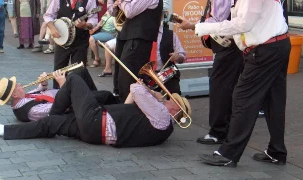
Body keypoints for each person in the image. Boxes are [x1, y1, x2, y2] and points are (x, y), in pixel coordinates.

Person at [181, 0, 290, 167]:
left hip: (265, 50)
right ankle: (277, 151)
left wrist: (205, 27)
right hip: (276, 45)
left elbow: (243, 24)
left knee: (243, 99)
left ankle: (229, 154)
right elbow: (250, 22)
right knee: (273, 101)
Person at [0, 73, 191, 148]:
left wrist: (152, 94)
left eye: (170, 100)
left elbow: (136, 90)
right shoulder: (160, 123)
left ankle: (58, 114)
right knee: (50, 124)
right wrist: (142, 91)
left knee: (74, 79)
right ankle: (0, 129)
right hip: (96, 130)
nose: (166, 99)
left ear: (175, 109)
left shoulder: (163, 116)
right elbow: (128, 107)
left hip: (96, 121)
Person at [178, 0, 243, 145]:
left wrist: (193, 26)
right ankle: (228, 129)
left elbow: (218, 21)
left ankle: (219, 132)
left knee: (220, 86)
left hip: (229, 43)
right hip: (231, 43)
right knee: (226, 86)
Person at [0, 68, 118, 122]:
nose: (20, 84)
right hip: (70, 103)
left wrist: (43, 83)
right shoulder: (30, 111)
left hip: (64, 92)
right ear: (14, 94)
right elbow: (59, 107)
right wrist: (64, 84)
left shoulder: (23, 98)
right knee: (106, 94)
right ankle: (117, 106)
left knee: (81, 72)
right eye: (17, 85)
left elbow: (38, 92)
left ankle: (93, 101)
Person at [107, 0, 163, 102]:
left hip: (139, 36)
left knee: (128, 77)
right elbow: (113, 13)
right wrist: (115, 6)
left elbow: (130, 11)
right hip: (125, 35)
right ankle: (121, 104)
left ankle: (129, 109)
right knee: (120, 76)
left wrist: (120, 1)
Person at [44, 0, 98, 89]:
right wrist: (52, 28)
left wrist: (86, 25)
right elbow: (48, 15)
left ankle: (76, 96)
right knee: (59, 69)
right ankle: (57, 95)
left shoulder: (90, 1)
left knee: (78, 71)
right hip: (62, 40)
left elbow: (94, 19)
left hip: (80, 41)